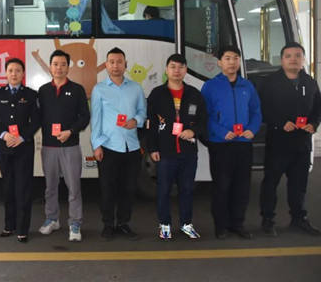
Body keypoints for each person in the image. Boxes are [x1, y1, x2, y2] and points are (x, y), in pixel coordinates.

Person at [258, 42, 321, 236]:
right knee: (270, 183)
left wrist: (313, 123)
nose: (293, 59)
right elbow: (262, 108)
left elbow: (319, 106)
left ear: (303, 60)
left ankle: (299, 218)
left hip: (302, 143)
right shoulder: (270, 82)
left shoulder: (309, 82)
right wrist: (280, 123)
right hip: (278, 142)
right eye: (288, 56)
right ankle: (268, 220)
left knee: (299, 185)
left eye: (298, 56)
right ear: (281, 60)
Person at [201, 45, 261, 239]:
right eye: (227, 58)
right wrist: (221, 132)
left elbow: (256, 111)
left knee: (242, 187)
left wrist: (252, 129)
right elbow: (205, 115)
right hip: (221, 143)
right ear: (219, 62)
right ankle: (221, 226)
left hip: (243, 143)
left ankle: (238, 224)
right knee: (221, 186)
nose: (232, 62)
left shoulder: (247, 86)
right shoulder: (210, 86)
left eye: (235, 58)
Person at [146, 53, 207, 240]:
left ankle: (186, 224)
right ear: (166, 70)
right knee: (163, 190)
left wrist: (193, 131)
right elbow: (151, 124)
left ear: (186, 70)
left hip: (188, 152)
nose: (177, 71)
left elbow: (204, 121)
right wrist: (152, 148)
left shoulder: (194, 94)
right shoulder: (157, 94)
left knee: (187, 190)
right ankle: (164, 225)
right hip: (166, 152)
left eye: (181, 67)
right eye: (173, 67)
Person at [91, 47, 146, 241]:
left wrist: (136, 121)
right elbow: (96, 119)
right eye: (112, 62)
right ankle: (108, 224)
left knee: (129, 189)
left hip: (131, 147)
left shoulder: (136, 88)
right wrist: (96, 145)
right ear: (106, 65)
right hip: (108, 147)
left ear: (126, 64)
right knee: (107, 189)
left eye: (119, 62)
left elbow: (142, 112)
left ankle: (123, 223)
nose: (116, 66)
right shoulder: (99, 89)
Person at [37, 49, 90, 242]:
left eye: (63, 64)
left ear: (68, 67)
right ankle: (52, 219)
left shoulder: (77, 90)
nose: (59, 68)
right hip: (49, 147)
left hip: (70, 146)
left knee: (73, 187)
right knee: (50, 187)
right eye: (55, 64)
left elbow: (85, 117)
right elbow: (38, 117)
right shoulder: (43, 91)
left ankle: (75, 223)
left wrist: (70, 131)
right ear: (50, 67)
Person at [0, 58, 40, 243]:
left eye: (18, 70)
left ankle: (23, 229)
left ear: (23, 74)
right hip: (4, 146)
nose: (14, 74)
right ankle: (9, 225)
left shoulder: (31, 95)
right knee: (8, 186)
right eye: (10, 70)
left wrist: (22, 137)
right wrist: (3, 135)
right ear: (5, 73)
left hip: (24, 147)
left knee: (23, 187)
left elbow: (36, 121)